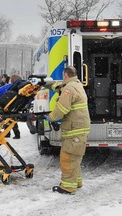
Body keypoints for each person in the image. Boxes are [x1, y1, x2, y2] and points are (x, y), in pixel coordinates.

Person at [45, 66, 90, 194]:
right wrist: (47, 84)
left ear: (65, 75)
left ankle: (68, 187)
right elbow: (59, 87)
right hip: (80, 128)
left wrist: (50, 117)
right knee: (75, 157)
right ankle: (76, 182)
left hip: (74, 129)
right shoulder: (76, 84)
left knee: (68, 157)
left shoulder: (69, 89)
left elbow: (62, 110)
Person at [4, 74, 22, 139]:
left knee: (7, 121)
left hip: (9, 106)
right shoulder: (18, 88)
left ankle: (7, 133)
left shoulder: (12, 88)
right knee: (13, 121)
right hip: (14, 107)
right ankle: (16, 134)